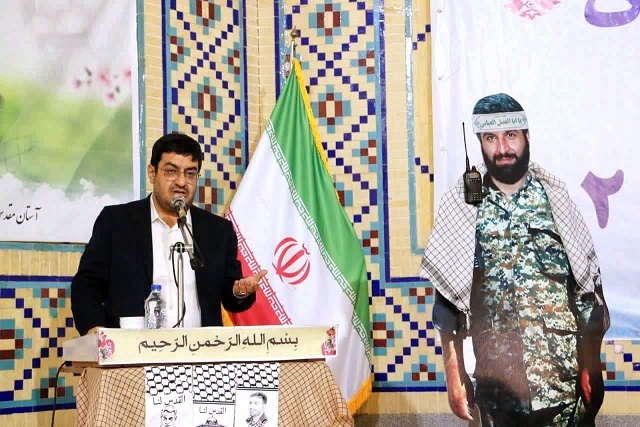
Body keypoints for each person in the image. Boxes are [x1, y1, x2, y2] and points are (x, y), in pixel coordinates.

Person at [420, 93, 609, 426]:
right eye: (491, 138)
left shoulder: (555, 200)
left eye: (511, 135)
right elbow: (448, 304)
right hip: (498, 396)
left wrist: (591, 365)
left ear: (526, 136)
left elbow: (587, 294)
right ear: (480, 143)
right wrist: (454, 372)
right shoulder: (463, 207)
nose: (503, 148)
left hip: (563, 391)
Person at [71, 132, 266, 335]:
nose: (181, 182)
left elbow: (230, 294)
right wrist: (95, 330)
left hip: (202, 350)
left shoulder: (218, 231)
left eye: (190, 173)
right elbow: (87, 285)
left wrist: (239, 291)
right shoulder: (117, 223)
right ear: (152, 173)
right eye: (171, 171)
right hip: (133, 348)